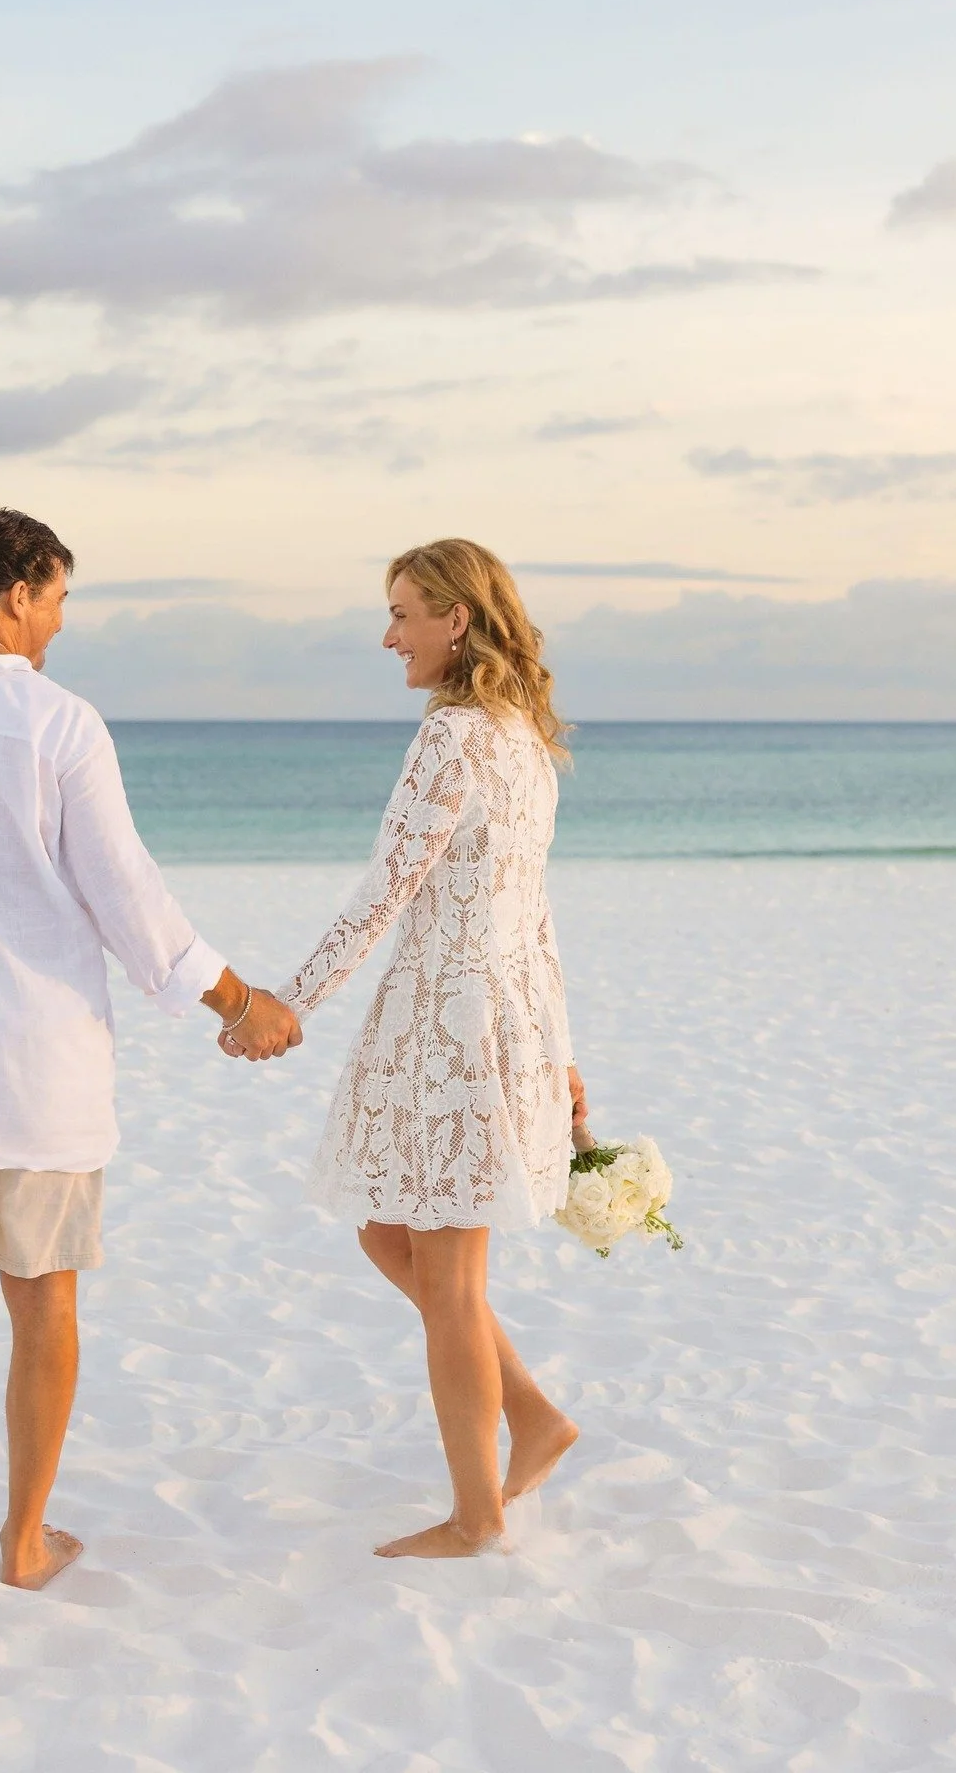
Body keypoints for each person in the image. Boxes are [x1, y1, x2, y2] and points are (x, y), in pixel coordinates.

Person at [0, 508, 300, 1661]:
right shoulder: (57, 718)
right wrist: (237, 1002)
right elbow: (127, 895)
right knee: (45, 1305)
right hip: (41, 1062)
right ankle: (23, 1541)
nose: (61, 624)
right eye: (60, 599)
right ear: (18, 589)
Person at [270, 537, 588, 1559]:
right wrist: (557, 1049)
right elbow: (535, 915)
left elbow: (384, 891)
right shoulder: (523, 738)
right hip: (499, 1018)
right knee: (387, 1234)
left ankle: (475, 1515)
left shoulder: (454, 735)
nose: (388, 636)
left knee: (448, 1281)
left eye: (403, 613)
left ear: (457, 618)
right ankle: (531, 1415)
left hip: (455, 1034)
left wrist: (287, 1002)